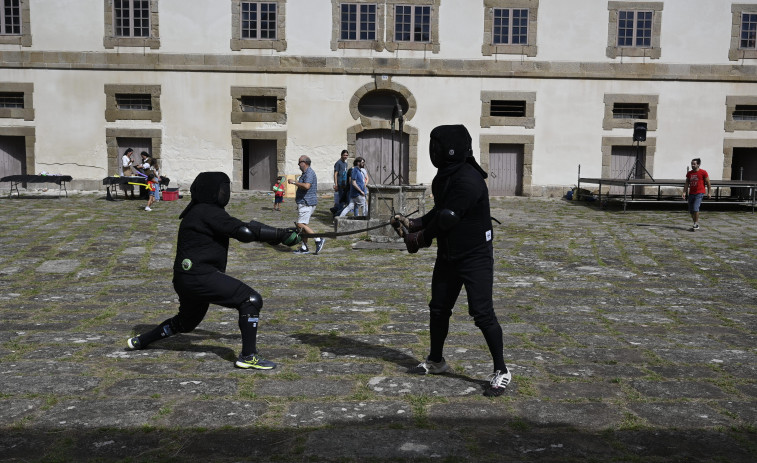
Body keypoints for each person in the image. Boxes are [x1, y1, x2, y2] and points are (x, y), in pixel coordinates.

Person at [127, 172, 302, 370]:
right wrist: (280, 234)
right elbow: (243, 232)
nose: (224, 193)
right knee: (250, 300)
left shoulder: (198, 211)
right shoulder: (207, 211)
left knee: (185, 323)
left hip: (185, 278)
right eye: (222, 189)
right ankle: (248, 355)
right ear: (212, 191)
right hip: (200, 276)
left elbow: (239, 227)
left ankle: (141, 341)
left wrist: (277, 237)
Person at [390, 124, 512, 397]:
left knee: (482, 314)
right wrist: (413, 223)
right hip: (449, 253)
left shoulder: (469, 179)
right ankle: (436, 361)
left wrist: (419, 239)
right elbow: (439, 211)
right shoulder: (445, 176)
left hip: (474, 256)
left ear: (451, 149)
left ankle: (502, 370)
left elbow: (449, 218)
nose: (435, 151)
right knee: (438, 309)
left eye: (438, 146)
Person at [288, 156, 325, 255]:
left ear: (304, 163)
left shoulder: (309, 173)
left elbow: (307, 186)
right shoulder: (306, 173)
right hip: (305, 202)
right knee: (303, 226)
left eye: (299, 162)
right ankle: (304, 247)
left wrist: (294, 182)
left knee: (300, 225)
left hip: (306, 203)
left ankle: (318, 239)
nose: (298, 164)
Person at [682, 158, 711, 231]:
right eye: (692, 164)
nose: (692, 165)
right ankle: (695, 222)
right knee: (691, 210)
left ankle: (696, 223)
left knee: (695, 208)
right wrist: (684, 192)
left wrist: (709, 192)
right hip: (691, 193)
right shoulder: (689, 173)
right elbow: (687, 183)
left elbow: (708, 183)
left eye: (694, 164)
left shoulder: (703, 172)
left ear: (698, 164)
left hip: (699, 193)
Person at [331, 149, 350, 217]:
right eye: (344, 155)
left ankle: (335, 209)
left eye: (347, 155)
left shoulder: (345, 163)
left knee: (344, 199)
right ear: (341, 155)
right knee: (342, 200)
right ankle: (337, 213)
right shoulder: (338, 163)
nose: (345, 156)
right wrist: (336, 184)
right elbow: (335, 174)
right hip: (340, 183)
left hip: (344, 183)